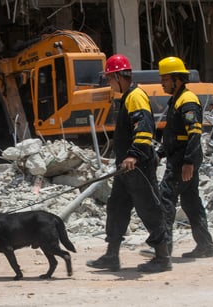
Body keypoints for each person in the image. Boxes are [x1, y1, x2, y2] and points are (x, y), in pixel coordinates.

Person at [86, 54, 171, 272]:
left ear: (117, 76)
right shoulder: (127, 97)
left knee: (149, 208)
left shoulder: (135, 96)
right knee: (117, 208)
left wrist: (134, 155)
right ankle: (111, 255)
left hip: (138, 166)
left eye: (109, 78)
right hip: (126, 168)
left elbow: (143, 128)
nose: (109, 83)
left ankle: (162, 257)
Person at [157, 56, 213, 258]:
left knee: (166, 197)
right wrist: (160, 152)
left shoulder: (187, 101)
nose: (162, 83)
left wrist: (189, 162)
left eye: (165, 79)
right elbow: (174, 135)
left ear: (177, 79)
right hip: (180, 156)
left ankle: (163, 250)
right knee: (190, 202)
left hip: (183, 159)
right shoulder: (177, 100)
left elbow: (194, 134)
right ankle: (205, 246)